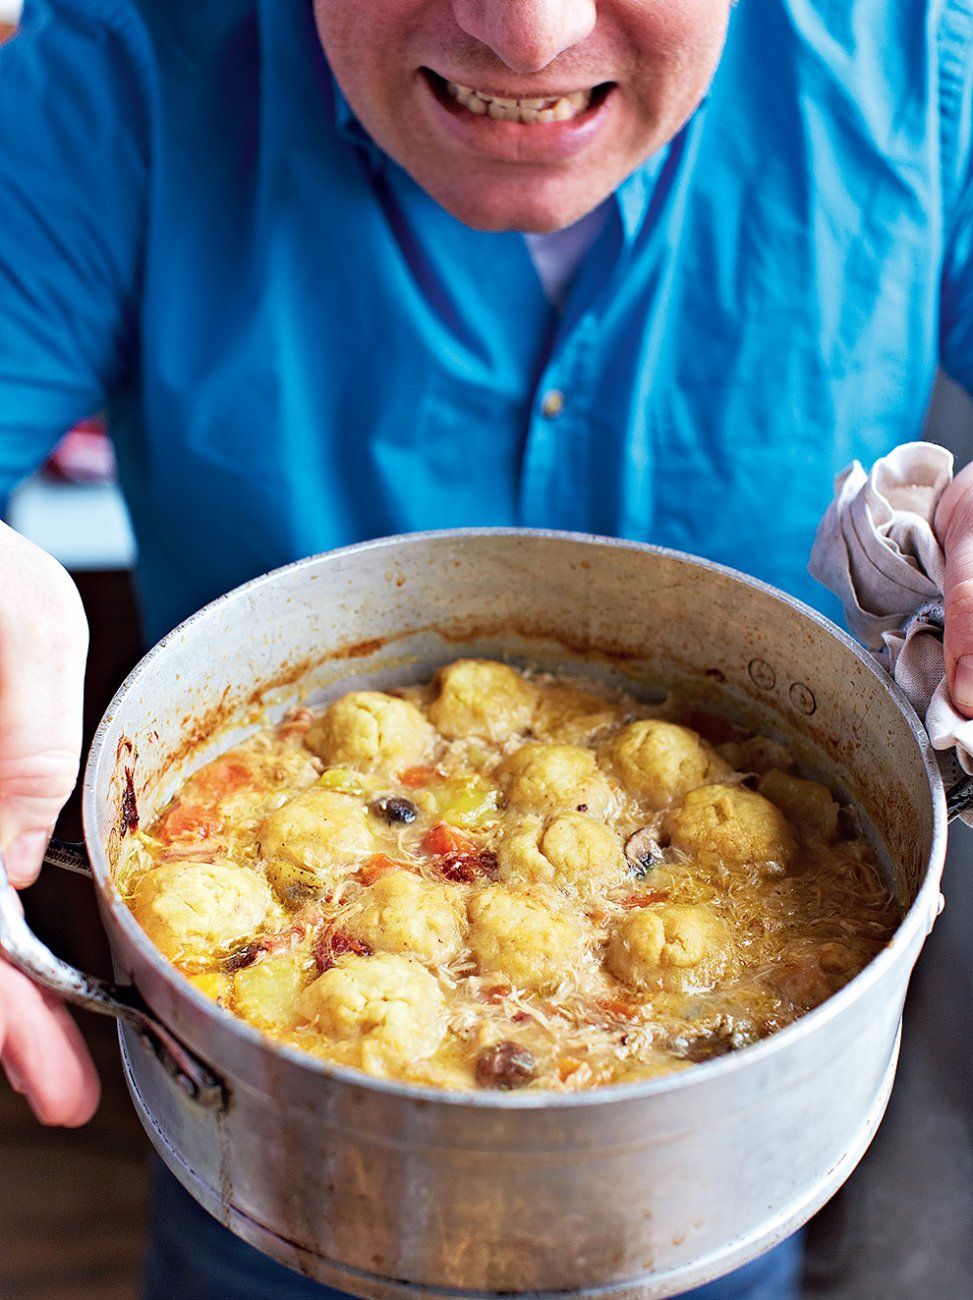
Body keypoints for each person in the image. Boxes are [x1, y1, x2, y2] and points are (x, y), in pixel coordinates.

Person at [1, 0, 973, 1296]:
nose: (529, 34)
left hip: (712, 1192)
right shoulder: (123, 63)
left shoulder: (927, 60)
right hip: (269, 1183)